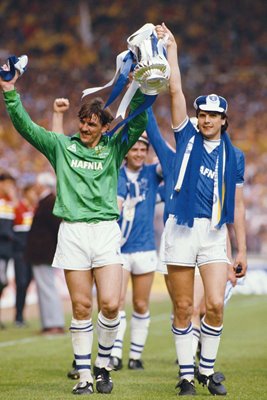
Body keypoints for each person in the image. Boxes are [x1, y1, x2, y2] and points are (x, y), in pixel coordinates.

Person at [0, 63, 147, 395]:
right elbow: (26, 127)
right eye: (82, 121)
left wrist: (144, 87)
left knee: (110, 304)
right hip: (73, 233)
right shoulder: (62, 148)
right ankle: (84, 375)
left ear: (103, 127)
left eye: (91, 124)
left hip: (106, 231)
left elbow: (139, 120)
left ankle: (103, 363)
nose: (84, 127)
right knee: (81, 307)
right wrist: (9, 91)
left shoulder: (114, 149)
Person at [155, 23, 247, 396]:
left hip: (212, 234)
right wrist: (172, 50)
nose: (206, 119)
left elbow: (237, 205)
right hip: (180, 229)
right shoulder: (186, 136)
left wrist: (239, 249)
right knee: (181, 308)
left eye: (213, 115)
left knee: (214, 305)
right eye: (202, 114)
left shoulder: (235, 157)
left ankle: (206, 372)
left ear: (224, 120)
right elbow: (175, 89)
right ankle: (186, 375)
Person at [109, 133, 162, 371]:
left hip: (145, 248)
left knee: (141, 304)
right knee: (116, 302)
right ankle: (115, 354)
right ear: (126, 152)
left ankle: (135, 356)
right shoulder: (115, 173)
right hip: (118, 249)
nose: (139, 154)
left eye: (143, 150)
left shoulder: (152, 173)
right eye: (134, 150)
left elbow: (174, 161)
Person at [25, 172, 65, 334]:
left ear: (42, 185)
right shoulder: (47, 201)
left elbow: (56, 228)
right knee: (45, 288)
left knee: (47, 288)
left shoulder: (49, 202)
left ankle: (54, 323)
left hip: (44, 253)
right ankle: (50, 322)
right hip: (43, 253)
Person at [13, 181, 37, 327]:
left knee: (27, 283)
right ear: (26, 193)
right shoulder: (18, 208)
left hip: (30, 253)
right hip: (19, 252)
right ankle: (18, 316)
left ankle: (20, 316)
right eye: (33, 192)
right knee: (21, 283)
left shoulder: (34, 209)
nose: (35, 195)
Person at [0, 171, 17, 329]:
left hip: (6, 252)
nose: (10, 187)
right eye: (8, 184)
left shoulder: (9, 203)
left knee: (2, 282)